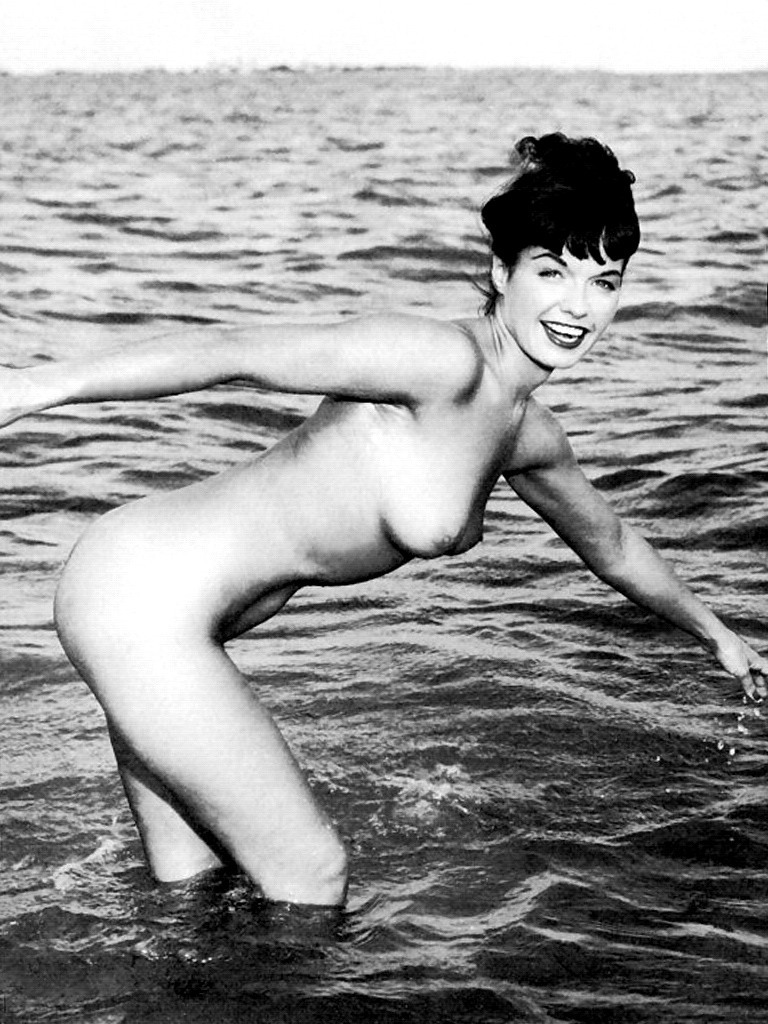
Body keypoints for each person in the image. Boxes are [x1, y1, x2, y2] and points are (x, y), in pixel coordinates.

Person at [1, 133, 765, 908]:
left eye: (603, 282)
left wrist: (716, 634)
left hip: (170, 616)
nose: (577, 306)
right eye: (551, 272)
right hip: (138, 599)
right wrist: (30, 388)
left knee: (193, 897)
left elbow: (614, 544)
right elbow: (235, 352)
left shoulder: (528, 434)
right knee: (313, 876)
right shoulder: (436, 360)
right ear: (501, 273)